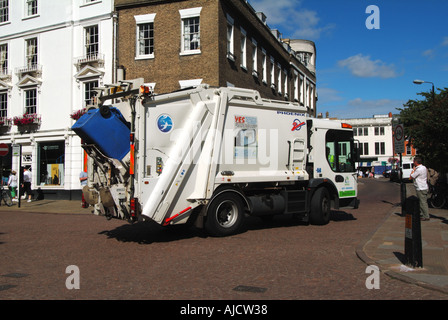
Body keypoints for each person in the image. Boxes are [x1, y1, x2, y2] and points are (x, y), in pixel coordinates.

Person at [410, 156, 430, 221]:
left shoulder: (419, 169)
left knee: (422, 202)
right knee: (423, 202)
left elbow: (412, 176)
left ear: (416, 162)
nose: (413, 163)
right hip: (424, 186)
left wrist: (413, 170)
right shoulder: (424, 167)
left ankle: (426, 216)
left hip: (420, 187)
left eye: (414, 162)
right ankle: (422, 214)